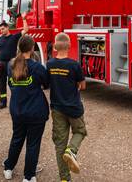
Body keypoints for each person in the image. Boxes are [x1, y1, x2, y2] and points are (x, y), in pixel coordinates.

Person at [3, 35, 49, 182]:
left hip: (17, 109)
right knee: (33, 143)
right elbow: (46, 84)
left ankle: (8, 168)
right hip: (35, 111)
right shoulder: (37, 67)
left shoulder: (11, 65)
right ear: (32, 48)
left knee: (17, 138)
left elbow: (11, 84)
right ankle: (28, 176)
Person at [47, 33, 87, 181]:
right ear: (69, 46)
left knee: (59, 143)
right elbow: (82, 86)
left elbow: (47, 82)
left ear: (55, 47)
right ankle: (72, 150)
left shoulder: (50, 64)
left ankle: (64, 178)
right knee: (80, 131)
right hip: (74, 108)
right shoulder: (74, 64)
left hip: (57, 109)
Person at [0, 13, 29, 109]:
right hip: (1, 64)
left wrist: (24, 19)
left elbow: (25, 30)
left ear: (7, 28)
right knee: (1, 83)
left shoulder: (14, 37)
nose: (1, 31)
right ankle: (3, 103)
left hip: (11, 64)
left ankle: (16, 101)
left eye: (3, 28)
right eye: (0, 29)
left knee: (13, 83)